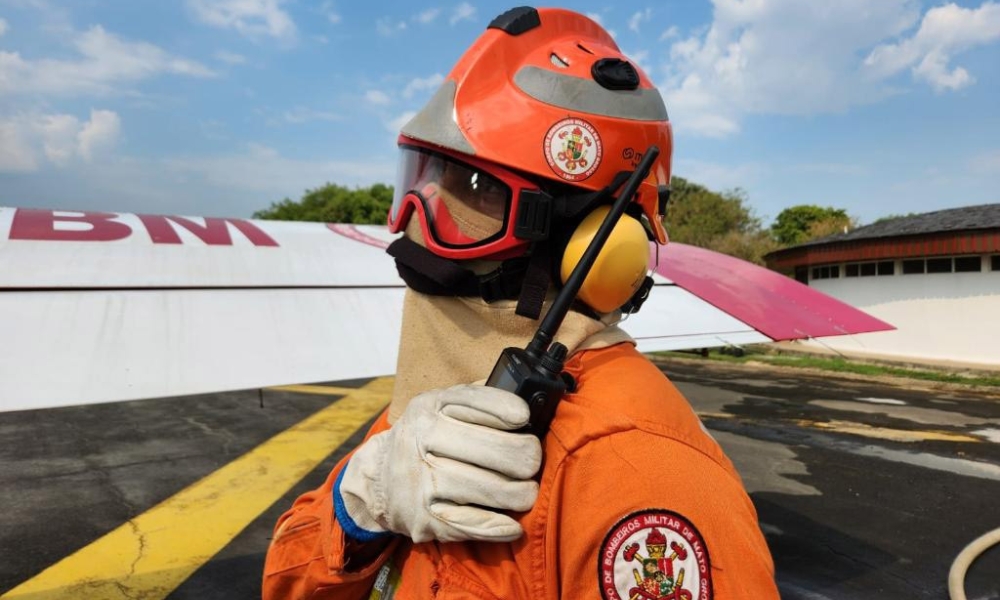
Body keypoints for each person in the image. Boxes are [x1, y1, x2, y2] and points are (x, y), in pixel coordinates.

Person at [262, 7, 779, 599]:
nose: (416, 217)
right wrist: (355, 509)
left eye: (468, 185)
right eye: (419, 178)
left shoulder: (644, 474)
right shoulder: (440, 408)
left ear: (594, 246)